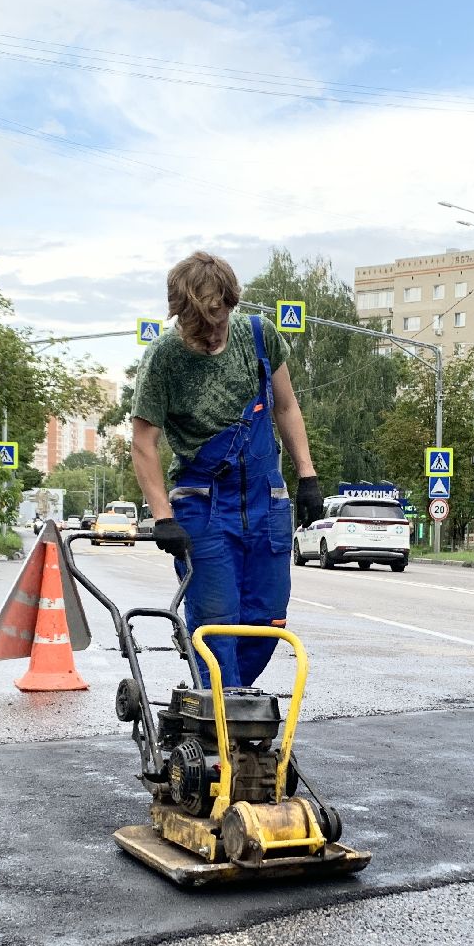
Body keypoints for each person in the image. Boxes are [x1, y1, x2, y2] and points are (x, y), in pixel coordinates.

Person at [130, 251, 324, 689]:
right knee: (216, 623)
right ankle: (224, 723)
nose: (213, 332)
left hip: (266, 498)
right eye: (202, 323)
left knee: (267, 619)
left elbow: (287, 406)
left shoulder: (258, 336)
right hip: (203, 503)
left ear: (231, 304)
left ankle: (224, 699)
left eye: (220, 318)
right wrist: (163, 517)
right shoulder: (163, 360)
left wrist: (306, 476)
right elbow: (144, 442)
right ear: (180, 315)